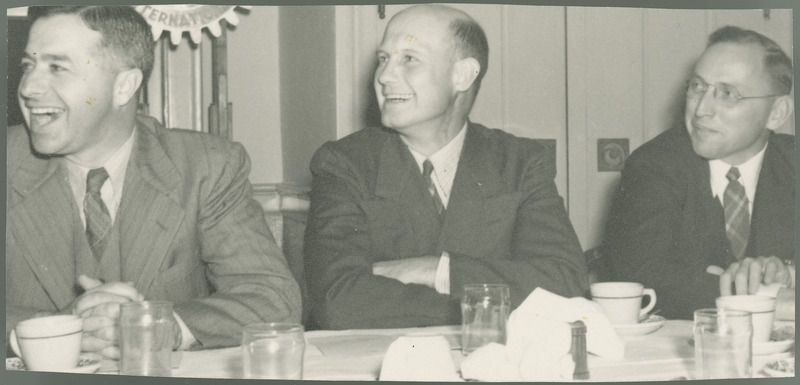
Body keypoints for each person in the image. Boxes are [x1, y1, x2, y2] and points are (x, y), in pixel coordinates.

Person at [6, 6, 301, 357]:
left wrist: (161, 326)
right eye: (28, 66)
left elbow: (272, 298)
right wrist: (54, 329)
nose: (28, 87)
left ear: (124, 86)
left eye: (57, 67)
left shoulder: (206, 167)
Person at [303, 4, 588, 330]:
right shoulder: (344, 163)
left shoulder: (520, 162)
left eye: (409, 59)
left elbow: (566, 282)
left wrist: (437, 270)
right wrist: (483, 307)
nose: (383, 76)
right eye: (384, 59)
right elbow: (337, 302)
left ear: (462, 75)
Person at [604, 26, 795, 320]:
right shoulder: (653, 165)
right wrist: (767, 298)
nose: (701, 109)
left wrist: (790, 273)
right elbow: (644, 278)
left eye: (727, 94)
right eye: (697, 87)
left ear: (777, 113)